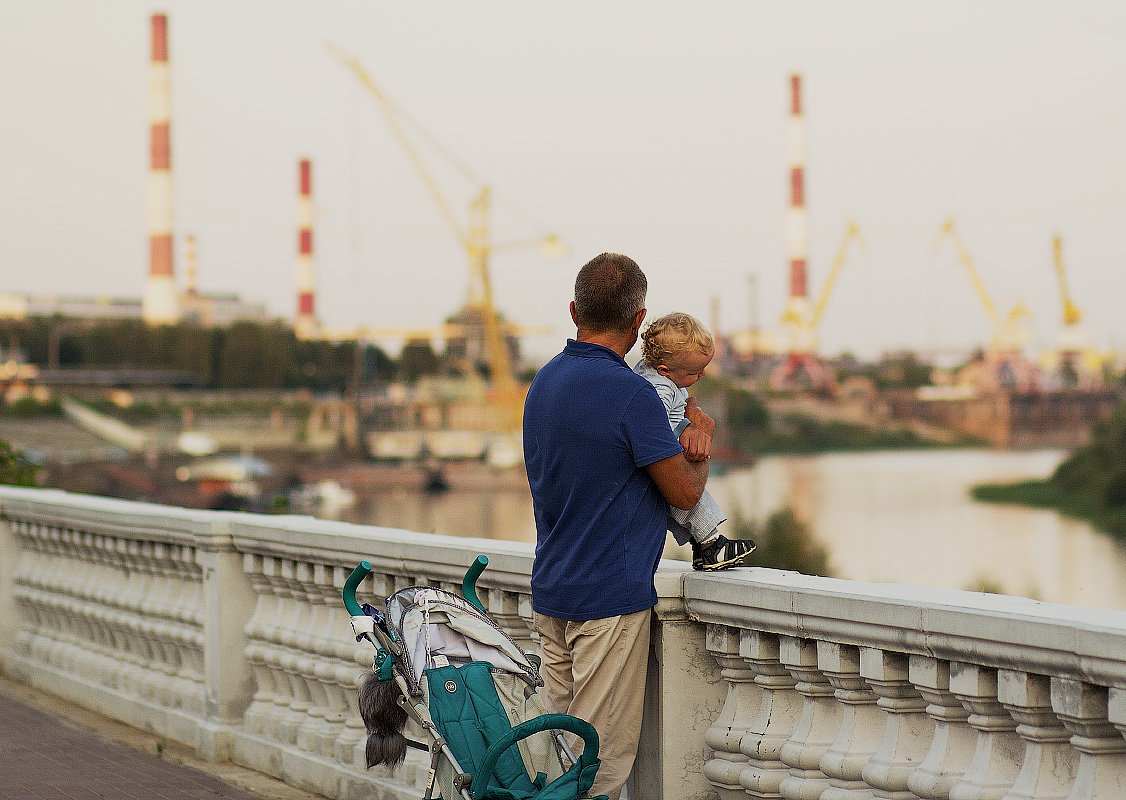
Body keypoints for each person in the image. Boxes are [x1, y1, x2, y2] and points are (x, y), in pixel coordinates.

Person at [523, 253, 714, 800]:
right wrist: (698, 439)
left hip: (552, 592)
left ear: (574, 310)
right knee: (597, 771)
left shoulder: (545, 383)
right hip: (608, 601)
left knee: (559, 759)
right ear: (638, 321)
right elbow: (682, 492)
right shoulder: (633, 393)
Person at [633, 312, 757, 570]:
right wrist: (690, 433)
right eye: (694, 372)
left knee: (690, 502)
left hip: (663, 456)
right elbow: (655, 428)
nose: (701, 375)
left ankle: (704, 546)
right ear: (666, 370)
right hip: (666, 456)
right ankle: (711, 546)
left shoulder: (656, 373)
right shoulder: (660, 388)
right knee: (693, 501)